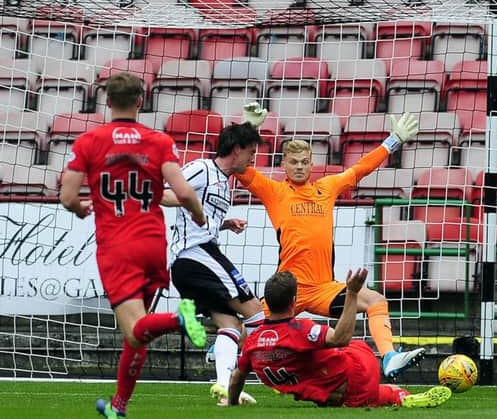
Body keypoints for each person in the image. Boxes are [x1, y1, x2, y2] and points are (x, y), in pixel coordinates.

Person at [236, 103, 425, 379]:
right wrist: (248, 128)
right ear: (284, 165)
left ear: (312, 165)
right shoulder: (274, 191)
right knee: (247, 327)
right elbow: (240, 168)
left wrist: (393, 141)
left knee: (376, 300)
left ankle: (389, 357)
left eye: (304, 162)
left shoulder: (327, 188)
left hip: (324, 287)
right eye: (293, 162)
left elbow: (360, 169)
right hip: (290, 291)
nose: (299, 167)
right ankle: (225, 363)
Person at [60, 72, 208, 419]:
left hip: (117, 246)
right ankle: (119, 407)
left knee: (133, 328)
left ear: (107, 101)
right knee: (138, 334)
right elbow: (184, 193)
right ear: (141, 101)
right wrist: (200, 217)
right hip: (152, 244)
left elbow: (67, 195)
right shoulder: (158, 141)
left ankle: (178, 319)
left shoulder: (90, 141)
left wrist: (80, 207)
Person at [227, 269, 451, 408]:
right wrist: (352, 294)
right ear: (293, 302)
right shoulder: (300, 329)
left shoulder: (253, 341)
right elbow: (341, 339)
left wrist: (232, 402)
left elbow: (237, 377)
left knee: (374, 392)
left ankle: (399, 397)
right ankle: (398, 387)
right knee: (355, 346)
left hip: (325, 393)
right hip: (355, 375)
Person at [161, 121, 267, 405]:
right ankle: (275, 370)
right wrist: (178, 199)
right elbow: (167, 192)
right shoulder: (202, 169)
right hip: (195, 255)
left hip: (196, 259)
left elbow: (200, 219)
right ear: (236, 150)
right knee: (256, 313)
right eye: (251, 152)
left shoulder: (224, 183)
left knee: (231, 324)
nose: (253, 158)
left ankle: (224, 385)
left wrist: (225, 224)